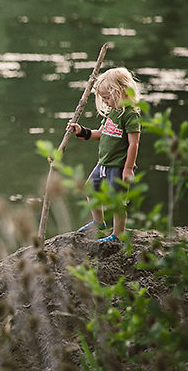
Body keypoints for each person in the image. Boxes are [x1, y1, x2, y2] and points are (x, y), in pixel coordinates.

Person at [67, 67, 142, 243]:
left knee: (117, 201)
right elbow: (100, 134)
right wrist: (81, 131)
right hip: (103, 163)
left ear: (121, 91)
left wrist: (128, 168)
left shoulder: (130, 115)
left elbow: (134, 144)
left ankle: (118, 234)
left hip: (118, 166)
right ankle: (99, 222)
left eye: (107, 97)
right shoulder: (112, 113)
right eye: (103, 99)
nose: (106, 102)